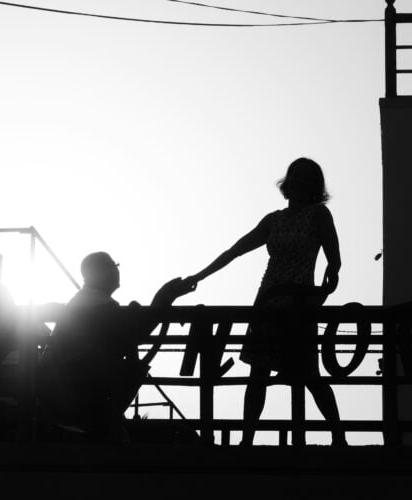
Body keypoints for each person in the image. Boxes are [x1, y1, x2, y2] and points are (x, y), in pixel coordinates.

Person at [185, 157, 346, 446]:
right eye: (295, 176)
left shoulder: (319, 215)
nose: (299, 183)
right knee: (258, 374)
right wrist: (199, 276)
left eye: (307, 178)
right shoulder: (274, 220)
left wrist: (319, 297)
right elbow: (235, 251)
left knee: (310, 375)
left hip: (300, 308)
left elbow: (334, 263)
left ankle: (339, 437)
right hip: (268, 304)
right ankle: (247, 441)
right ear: (288, 182)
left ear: (315, 186)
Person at [38, 251, 193, 442]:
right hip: (77, 394)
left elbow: (132, 330)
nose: (116, 270)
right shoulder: (95, 306)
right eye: (112, 266)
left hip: (68, 391)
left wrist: (162, 300)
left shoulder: (87, 302)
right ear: (99, 273)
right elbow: (136, 331)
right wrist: (162, 299)